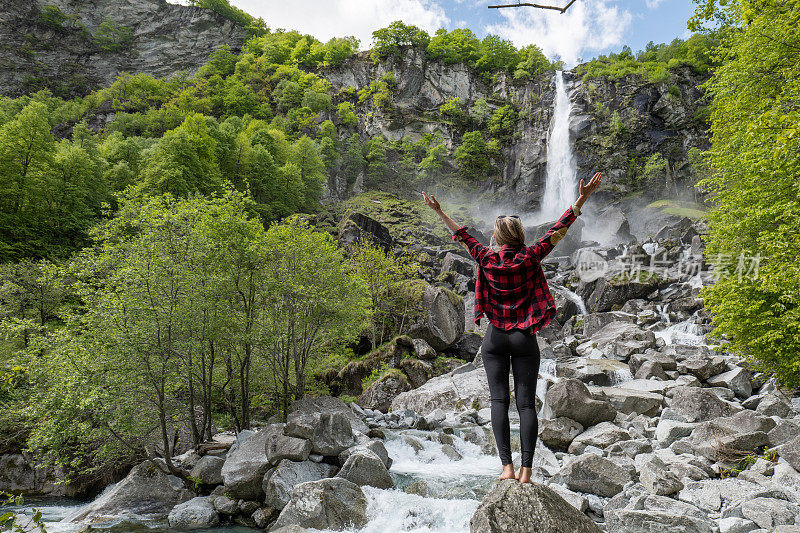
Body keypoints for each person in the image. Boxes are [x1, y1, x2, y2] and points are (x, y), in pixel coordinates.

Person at [422, 171, 601, 483]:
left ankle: (505, 468)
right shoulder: (531, 256)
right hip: (523, 338)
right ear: (519, 235)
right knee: (526, 405)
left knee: (498, 403)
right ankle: (526, 471)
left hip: (495, 338)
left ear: (497, 237)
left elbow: (461, 234)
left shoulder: (486, 259)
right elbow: (558, 230)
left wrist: (438, 211)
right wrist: (582, 198)